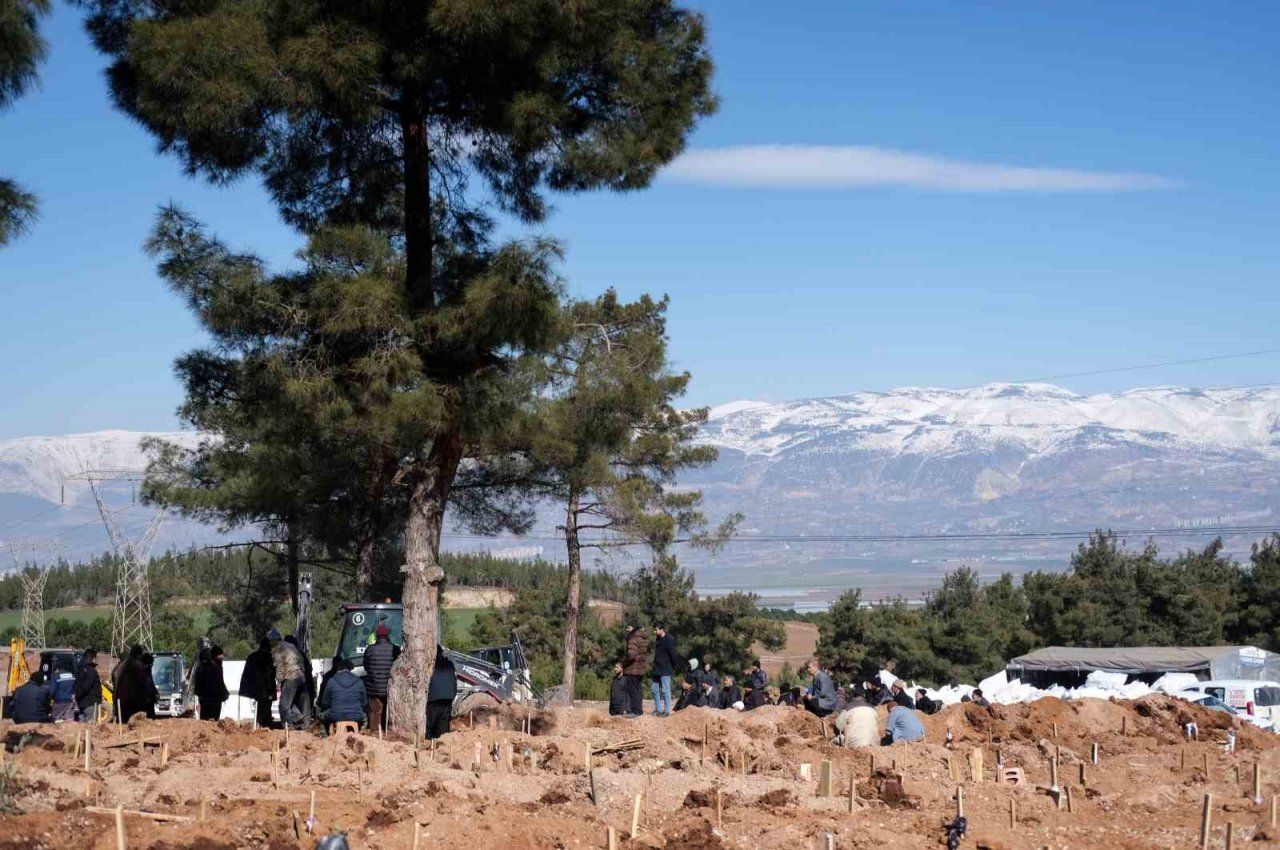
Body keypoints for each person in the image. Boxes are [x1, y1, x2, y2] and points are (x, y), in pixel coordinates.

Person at [269, 628, 309, 729]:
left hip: (290, 677)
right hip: (301, 676)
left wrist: (279, 682)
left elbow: (280, 667)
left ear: (274, 640)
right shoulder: (290, 646)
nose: (269, 643)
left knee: (284, 706)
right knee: (292, 703)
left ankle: (289, 726)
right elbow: (301, 659)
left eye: (270, 641)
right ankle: (299, 718)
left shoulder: (278, 649)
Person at [363, 624, 397, 732]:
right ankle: (388, 732)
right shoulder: (394, 649)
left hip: (373, 688)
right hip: (390, 688)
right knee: (389, 712)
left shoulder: (369, 650)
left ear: (377, 636)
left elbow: (366, 666)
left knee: (375, 712)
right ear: (388, 635)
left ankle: (375, 734)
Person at [318, 658, 367, 729]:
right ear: (350, 669)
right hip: (356, 715)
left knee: (321, 717)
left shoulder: (331, 681)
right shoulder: (359, 681)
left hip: (334, 714)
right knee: (365, 719)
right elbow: (364, 703)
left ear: (337, 669)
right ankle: (359, 734)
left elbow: (324, 702)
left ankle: (325, 737)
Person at [240, 637, 277, 729]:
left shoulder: (252, 656)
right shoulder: (268, 658)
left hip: (255, 689)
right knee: (266, 709)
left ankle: (259, 724)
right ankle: (265, 726)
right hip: (265, 689)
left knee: (260, 709)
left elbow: (247, 674)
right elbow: (270, 674)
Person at [114, 645, 157, 722]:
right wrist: (149, 696)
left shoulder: (121, 666)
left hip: (123, 701)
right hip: (135, 702)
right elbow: (143, 684)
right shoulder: (138, 665)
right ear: (138, 654)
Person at [426, 645, 457, 740]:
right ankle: (442, 746)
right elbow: (454, 682)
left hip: (433, 699)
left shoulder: (430, 664)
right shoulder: (450, 663)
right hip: (448, 698)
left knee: (430, 727)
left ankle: (429, 745)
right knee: (443, 728)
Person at [193, 645, 230, 721]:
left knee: (204, 721)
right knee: (214, 721)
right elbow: (220, 684)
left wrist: (198, 695)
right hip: (216, 701)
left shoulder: (200, 668)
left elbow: (197, 686)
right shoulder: (216, 667)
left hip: (204, 700)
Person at [650, 624, 677, 717]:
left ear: (662, 629)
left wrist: (673, 667)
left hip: (666, 668)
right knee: (654, 689)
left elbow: (673, 655)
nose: (654, 632)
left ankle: (667, 711)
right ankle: (658, 709)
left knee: (665, 690)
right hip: (657, 668)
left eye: (656, 630)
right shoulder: (657, 639)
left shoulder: (669, 640)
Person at [621, 624, 648, 717]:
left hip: (633, 669)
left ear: (633, 629)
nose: (626, 630)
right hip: (640, 669)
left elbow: (631, 655)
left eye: (628, 628)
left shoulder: (633, 638)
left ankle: (635, 711)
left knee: (633, 690)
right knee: (638, 690)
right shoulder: (643, 638)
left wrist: (623, 664)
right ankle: (638, 710)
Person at [74, 649, 102, 723]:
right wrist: (77, 696)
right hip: (90, 703)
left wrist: (77, 696)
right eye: (96, 658)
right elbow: (86, 687)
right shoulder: (90, 671)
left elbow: (77, 685)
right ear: (92, 658)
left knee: (82, 726)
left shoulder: (80, 669)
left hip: (82, 702)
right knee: (90, 727)